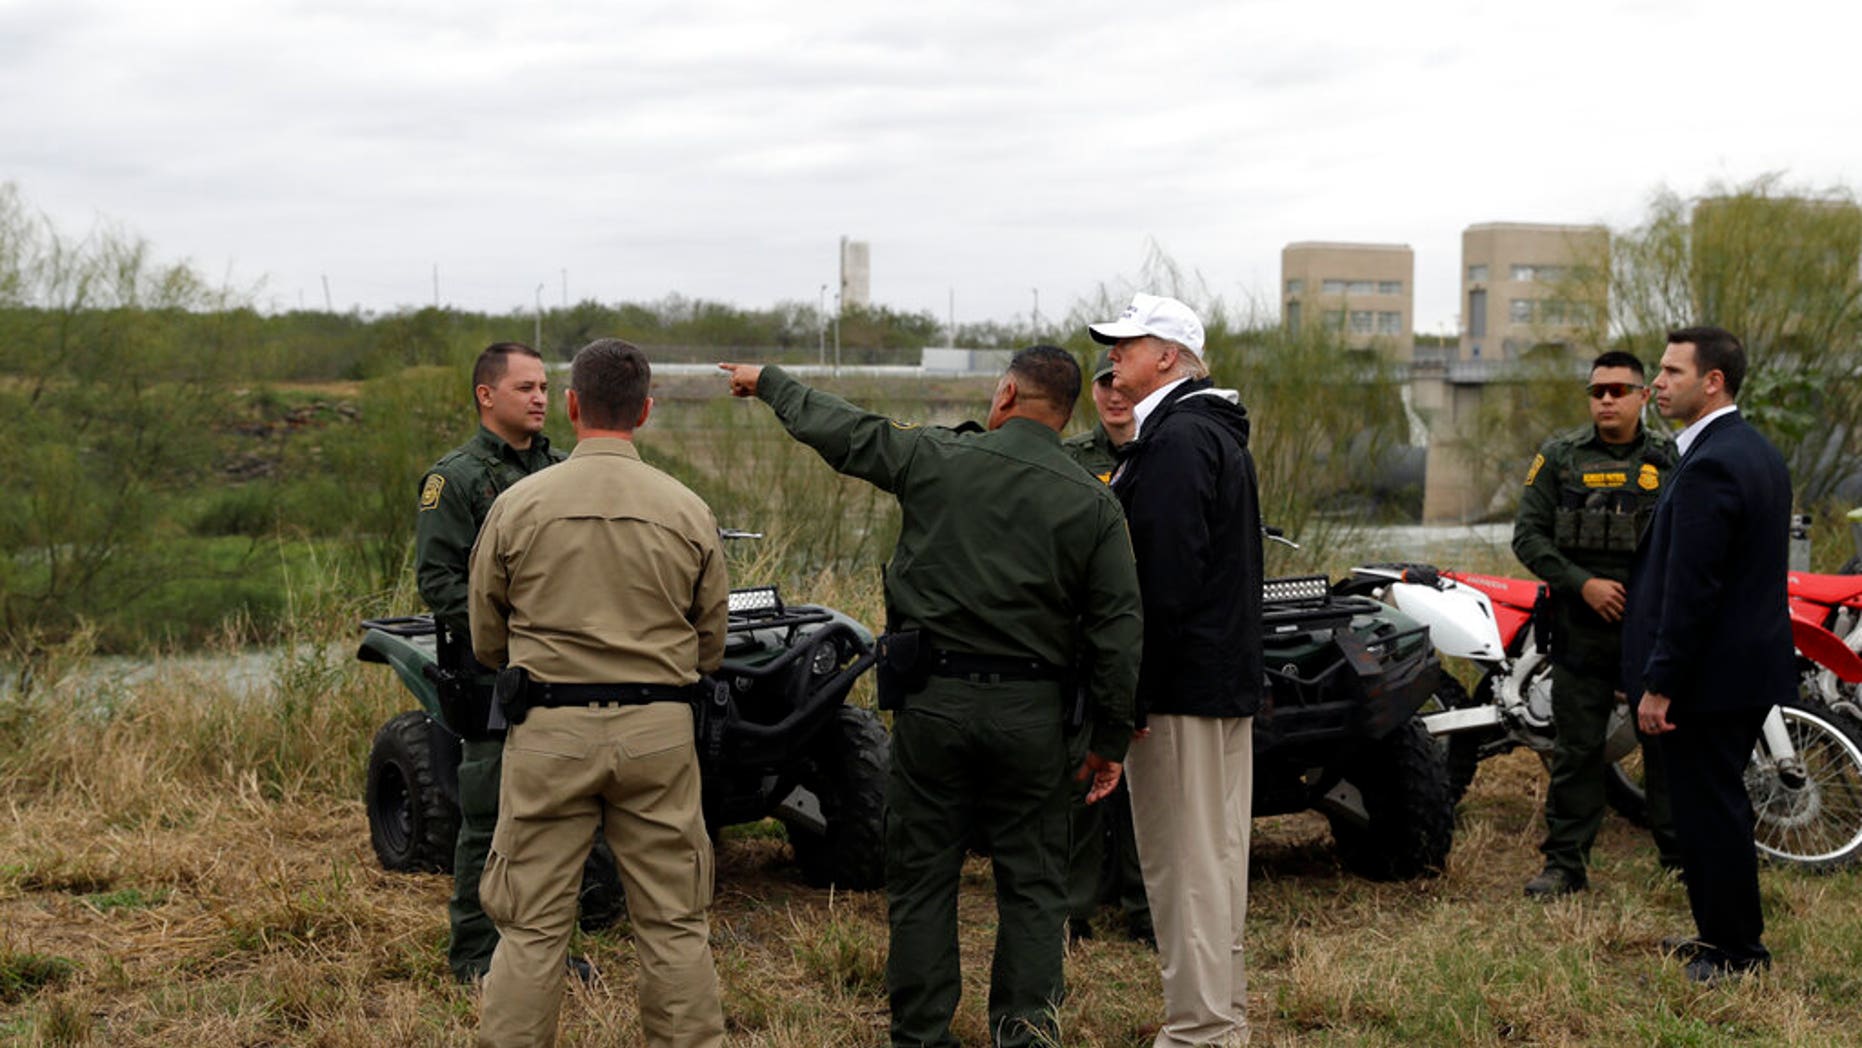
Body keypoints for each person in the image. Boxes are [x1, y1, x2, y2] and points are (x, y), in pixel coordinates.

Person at [719, 347, 1142, 1048]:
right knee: (1033, 886)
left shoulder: (936, 458)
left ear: (1005, 393)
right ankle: (1026, 1032)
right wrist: (1110, 740)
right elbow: (1119, 634)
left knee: (922, 877)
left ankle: (920, 1033)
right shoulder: (1093, 499)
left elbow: (847, 432)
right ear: (1067, 413)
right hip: (1034, 716)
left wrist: (770, 384)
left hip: (933, 707)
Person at [470, 338, 729, 1046]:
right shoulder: (686, 508)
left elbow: (487, 638)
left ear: (575, 405)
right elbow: (711, 644)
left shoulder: (517, 505)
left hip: (549, 733)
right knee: (675, 925)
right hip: (659, 733)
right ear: (644, 411)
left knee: (530, 929)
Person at [1091, 293, 1262, 1047]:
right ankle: (1219, 1022)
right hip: (1214, 681)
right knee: (1214, 861)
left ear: (1168, 356)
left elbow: (1159, 581)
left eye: (1127, 344)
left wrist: (1127, 694)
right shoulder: (1205, 432)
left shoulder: (1177, 440)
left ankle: (1198, 1031)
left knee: (1185, 867)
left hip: (1180, 690)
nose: (1113, 357)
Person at [1623, 325, 1794, 984]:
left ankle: (1736, 953)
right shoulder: (1752, 450)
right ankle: (1720, 935)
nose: (1656, 384)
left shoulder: (1715, 462)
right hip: (1738, 669)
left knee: (1710, 811)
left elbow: (1694, 591)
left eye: (1670, 372)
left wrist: (1659, 682)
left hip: (1711, 677)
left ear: (1712, 381)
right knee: (1711, 807)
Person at [414, 341, 571, 983]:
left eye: (543, 386)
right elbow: (442, 582)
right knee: (488, 819)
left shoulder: (563, 469)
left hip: (567, 674)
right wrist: (513, 639)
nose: (539, 397)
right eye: (525, 387)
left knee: (560, 821)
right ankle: (477, 955)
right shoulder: (454, 479)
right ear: (487, 395)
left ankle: (549, 950)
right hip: (493, 676)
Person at [1512, 350, 1681, 897]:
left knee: (1666, 748)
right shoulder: (1559, 457)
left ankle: (1680, 860)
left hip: (1651, 632)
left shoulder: (1669, 459)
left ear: (1643, 397)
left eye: (1617, 390)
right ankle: (1564, 865)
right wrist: (1582, 582)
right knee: (1577, 751)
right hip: (1581, 628)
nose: (1605, 400)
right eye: (1597, 391)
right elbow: (1528, 537)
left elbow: (1691, 539)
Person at [1061, 351, 1152, 947]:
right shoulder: (1070, 460)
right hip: (1086, 640)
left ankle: (1148, 908)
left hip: (1152, 637)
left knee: (1150, 788)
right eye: (1104, 384)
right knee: (1083, 780)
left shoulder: (1165, 452)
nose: (1114, 394)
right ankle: (1074, 910)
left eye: (1122, 382)